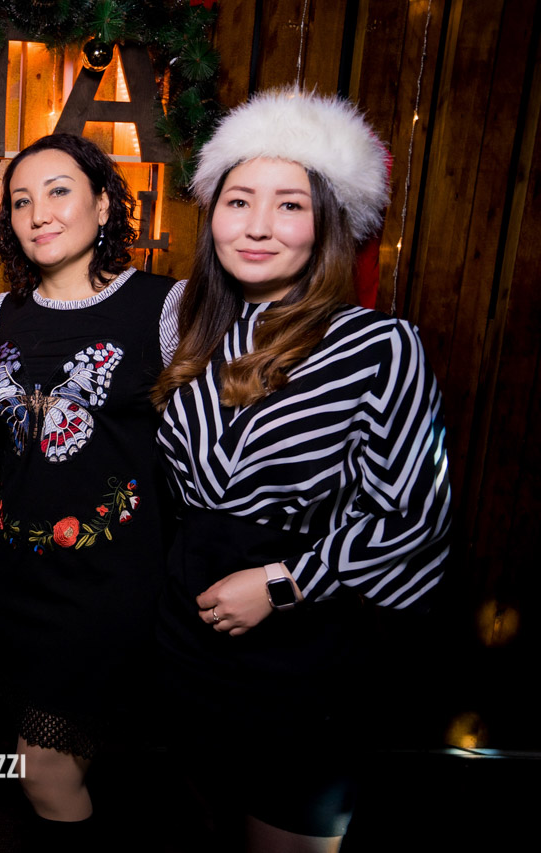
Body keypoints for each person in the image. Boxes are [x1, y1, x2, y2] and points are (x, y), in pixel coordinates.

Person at [152, 88, 451, 852]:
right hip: (184, 647)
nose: (256, 225)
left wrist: (283, 583)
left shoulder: (380, 346)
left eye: (289, 204)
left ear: (328, 223)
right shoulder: (189, 327)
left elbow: (414, 519)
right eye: (239, 200)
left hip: (305, 659)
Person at [0, 132, 183, 845]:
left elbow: (209, 448)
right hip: (19, 580)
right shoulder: (7, 312)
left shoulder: (163, 305)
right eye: (21, 201)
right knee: (43, 763)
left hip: (109, 585)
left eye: (59, 191)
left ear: (103, 205)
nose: (38, 212)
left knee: (44, 771)